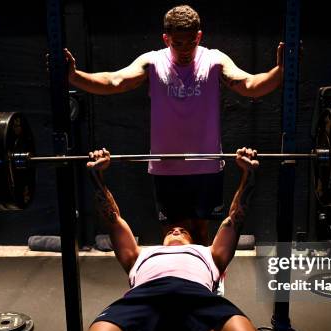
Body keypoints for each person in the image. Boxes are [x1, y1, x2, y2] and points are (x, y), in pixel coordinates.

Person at [66, 147, 280, 331]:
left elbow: (235, 218)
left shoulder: (209, 253)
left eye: (183, 230)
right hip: (143, 300)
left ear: (194, 239)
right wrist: (97, 176)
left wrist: (248, 175)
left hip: (199, 300)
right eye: (172, 229)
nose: (176, 229)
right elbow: (112, 218)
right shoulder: (139, 254)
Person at [64, 4, 284, 245]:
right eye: (177, 43)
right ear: (166, 38)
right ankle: (175, 279)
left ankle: (204, 280)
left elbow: (250, 86)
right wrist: (74, 77)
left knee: (201, 233)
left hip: (205, 167)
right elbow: (114, 81)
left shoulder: (214, 60)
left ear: (199, 36)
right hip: (166, 168)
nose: (185, 50)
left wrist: (281, 71)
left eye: (191, 42)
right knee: (172, 236)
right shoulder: (153, 62)